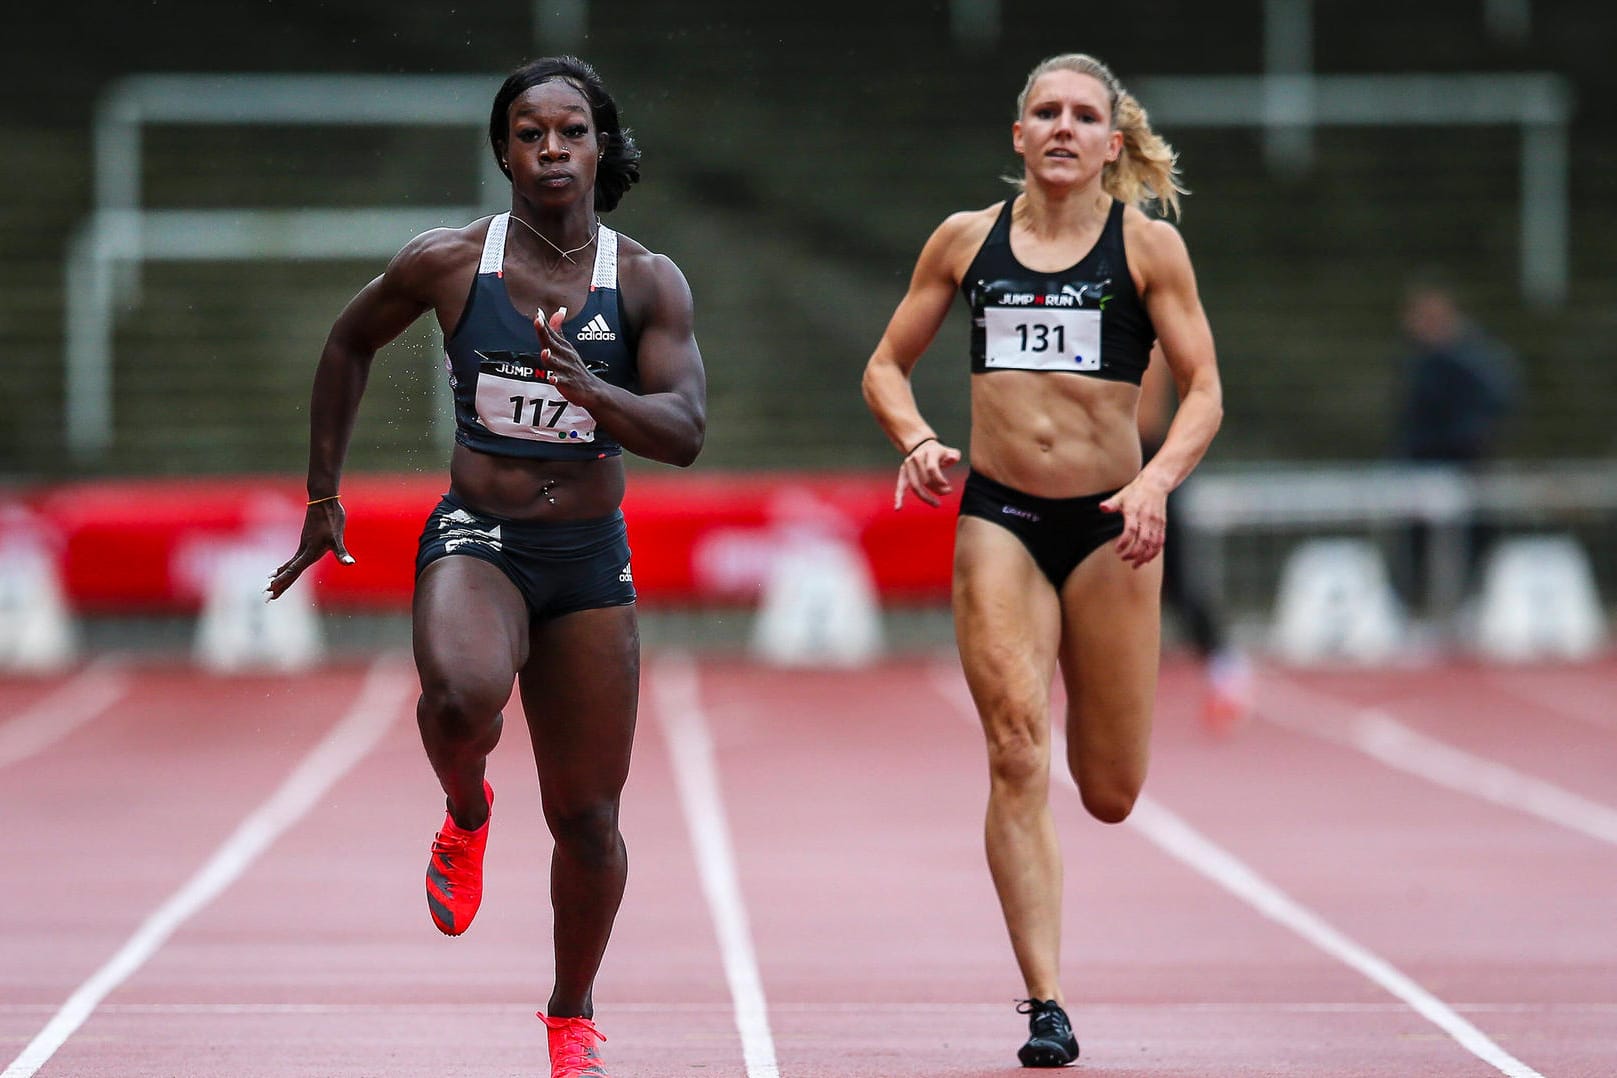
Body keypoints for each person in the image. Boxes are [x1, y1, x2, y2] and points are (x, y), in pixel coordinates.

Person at [266, 56, 706, 1078]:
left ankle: (570, 1015)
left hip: (589, 559)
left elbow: (684, 431)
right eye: (529, 133)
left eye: (570, 132)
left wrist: (599, 397)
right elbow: (347, 341)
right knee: (461, 698)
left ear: (600, 145)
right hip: (481, 536)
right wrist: (323, 492)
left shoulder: (645, 281)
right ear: (503, 149)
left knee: (589, 818)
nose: (551, 150)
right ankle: (466, 811)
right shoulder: (450, 263)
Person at [861, 53, 1224, 1067]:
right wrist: (919, 439)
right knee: (1017, 745)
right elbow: (886, 363)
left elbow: (1205, 391)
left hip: (1113, 526)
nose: (1063, 127)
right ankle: (1047, 1000)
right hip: (1001, 518)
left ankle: (1054, 955)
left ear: (1114, 142)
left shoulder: (1147, 251)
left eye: (1083, 115)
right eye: (1045, 113)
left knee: (1108, 789)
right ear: (1018, 136)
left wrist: (1154, 483)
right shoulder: (967, 242)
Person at [1138, 346, 1251, 736]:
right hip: (1098, 460)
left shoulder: (1153, 329)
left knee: (1178, 577)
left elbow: (1197, 385)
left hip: (1150, 460)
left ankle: (1224, 664)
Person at [1392, 277, 1521, 615]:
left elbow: (1493, 403)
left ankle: (1470, 605)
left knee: (1472, 537)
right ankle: (1418, 607)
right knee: (1417, 540)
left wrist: (1468, 442)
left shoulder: (1473, 359)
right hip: (1424, 466)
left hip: (1463, 463)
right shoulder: (1418, 360)